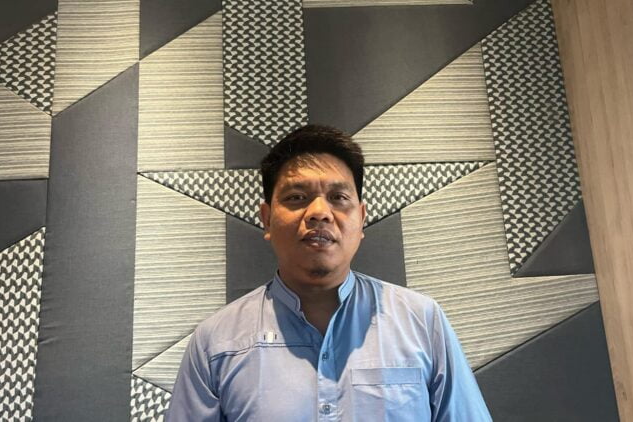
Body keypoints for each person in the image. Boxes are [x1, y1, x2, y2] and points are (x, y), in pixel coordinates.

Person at [166, 125, 492, 421]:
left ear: (361, 219)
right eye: (297, 198)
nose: (320, 212)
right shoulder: (216, 343)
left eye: (338, 198)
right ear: (266, 219)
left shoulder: (422, 322)